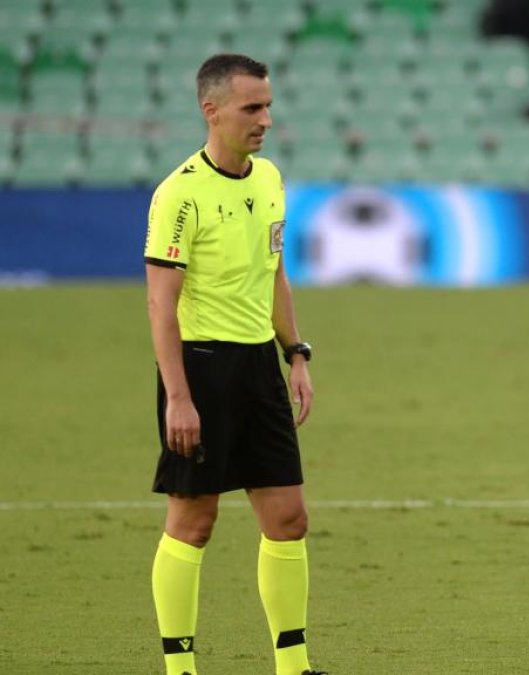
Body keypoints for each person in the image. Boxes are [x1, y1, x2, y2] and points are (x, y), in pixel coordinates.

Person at [143, 53, 326, 675]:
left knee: (288, 518)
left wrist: (294, 352)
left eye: (268, 106)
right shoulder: (178, 195)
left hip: (259, 370)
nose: (265, 119)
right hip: (200, 371)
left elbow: (273, 272)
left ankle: (294, 665)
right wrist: (177, 396)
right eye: (252, 108)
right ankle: (180, 669)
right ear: (211, 110)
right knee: (194, 521)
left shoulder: (270, 179)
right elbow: (160, 306)